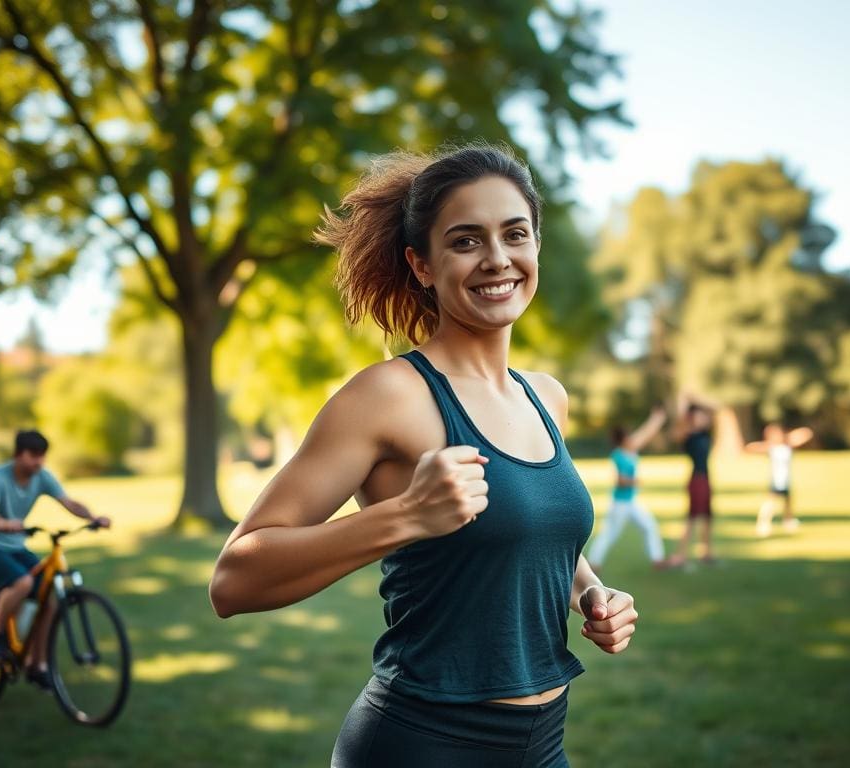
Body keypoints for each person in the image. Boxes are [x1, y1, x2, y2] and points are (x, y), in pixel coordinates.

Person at [209, 144, 638, 767]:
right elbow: (233, 581)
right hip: (420, 743)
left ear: (535, 246)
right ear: (423, 265)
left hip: (542, 744)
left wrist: (594, 594)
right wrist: (406, 516)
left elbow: (529, 533)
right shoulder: (387, 396)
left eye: (514, 234)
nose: (497, 258)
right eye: (465, 241)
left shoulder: (546, 397)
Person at [0, 429, 110, 689]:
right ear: (18, 455)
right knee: (23, 582)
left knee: (48, 599)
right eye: (33, 455)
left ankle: (38, 664)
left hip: (15, 545)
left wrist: (93, 518)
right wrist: (3, 524)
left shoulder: (42, 477)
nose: (39, 461)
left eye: (42, 456)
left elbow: (69, 502)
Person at [587, 406, 668, 570]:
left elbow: (645, 433)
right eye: (628, 436)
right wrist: (634, 481)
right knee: (609, 534)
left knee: (649, 526)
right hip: (620, 503)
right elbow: (620, 481)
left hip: (632, 502)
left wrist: (656, 418)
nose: (631, 438)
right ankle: (593, 563)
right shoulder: (619, 456)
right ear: (623, 439)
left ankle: (657, 560)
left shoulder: (630, 451)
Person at [666, 394, 718, 567]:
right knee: (692, 518)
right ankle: (680, 555)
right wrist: (684, 404)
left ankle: (706, 553)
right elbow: (677, 429)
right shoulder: (688, 437)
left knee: (708, 517)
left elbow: (715, 409)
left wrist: (696, 398)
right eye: (698, 416)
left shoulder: (705, 433)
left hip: (706, 478)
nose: (703, 418)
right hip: (696, 480)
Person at [745, 423, 814, 537]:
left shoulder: (787, 445)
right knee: (770, 502)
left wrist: (788, 437)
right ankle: (763, 523)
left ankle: (788, 521)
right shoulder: (772, 447)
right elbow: (751, 447)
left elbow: (806, 433)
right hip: (776, 480)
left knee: (788, 502)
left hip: (786, 479)